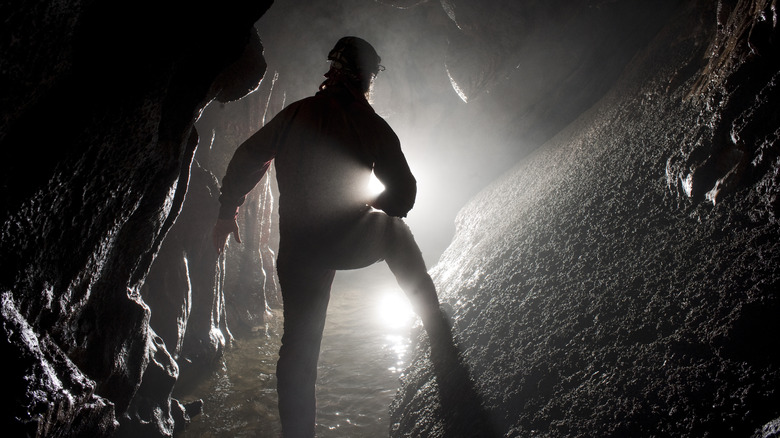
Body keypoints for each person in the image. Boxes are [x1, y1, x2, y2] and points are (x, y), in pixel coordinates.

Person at [211, 36, 447, 437]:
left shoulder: (295, 114)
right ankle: (438, 330)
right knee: (395, 231)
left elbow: (248, 156)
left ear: (331, 72)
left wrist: (228, 210)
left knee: (299, 349)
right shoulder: (369, 123)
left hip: (299, 250)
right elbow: (404, 194)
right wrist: (370, 208)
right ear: (366, 77)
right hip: (346, 239)